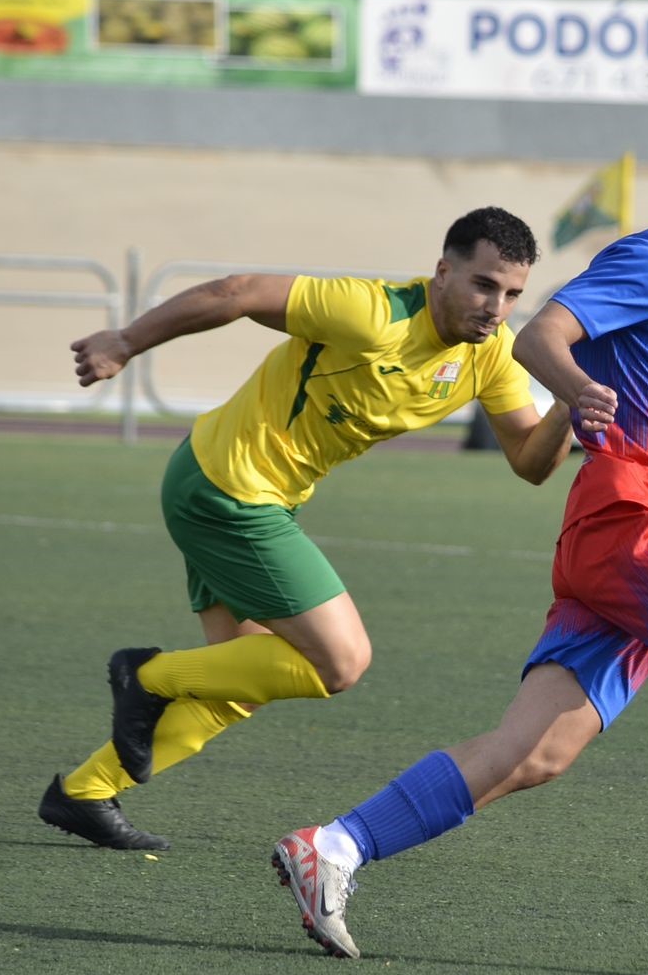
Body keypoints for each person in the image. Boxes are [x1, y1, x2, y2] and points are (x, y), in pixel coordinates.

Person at [271, 105, 648, 964]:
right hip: (628, 518)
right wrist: (581, 392)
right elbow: (540, 335)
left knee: (534, 752)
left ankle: (330, 849)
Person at [43, 207, 574, 851]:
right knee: (341, 660)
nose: (496, 306)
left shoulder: (488, 357)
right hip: (228, 489)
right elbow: (235, 293)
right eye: (483, 284)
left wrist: (572, 402)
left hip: (249, 495)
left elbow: (530, 463)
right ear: (442, 272)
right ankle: (146, 677)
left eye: (513, 293)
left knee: (244, 680)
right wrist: (125, 341)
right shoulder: (370, 313)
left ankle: (85, 792)